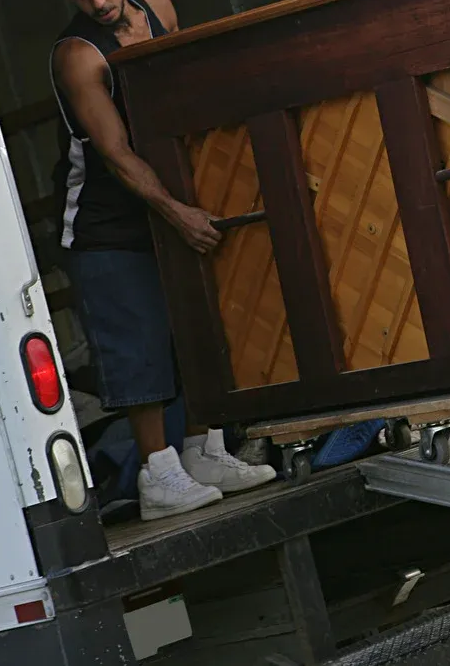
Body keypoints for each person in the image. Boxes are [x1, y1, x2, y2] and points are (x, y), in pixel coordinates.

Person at [50, 0, 276, 521]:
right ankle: (158, 474)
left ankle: (204, 452)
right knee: (137, 342)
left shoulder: (160, 10)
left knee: (196, 327)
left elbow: (183, 95)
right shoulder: (78, 55)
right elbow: (115, 152)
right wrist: (177, 212)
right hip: (105, 224)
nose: (98, 2)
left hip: (168, 199)